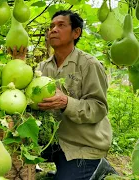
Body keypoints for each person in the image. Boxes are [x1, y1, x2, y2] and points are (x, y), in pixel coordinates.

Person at [9, 10, 117, 180]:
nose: (53, 29)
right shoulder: (43, 67)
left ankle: (98, 166)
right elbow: (24, 98)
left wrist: (67, 102)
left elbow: (99, 108)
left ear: (76, 32)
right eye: (51, 26)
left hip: (82, 145)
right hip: (52, 142)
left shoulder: (89, 65)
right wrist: (18, 63)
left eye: (61, 25)